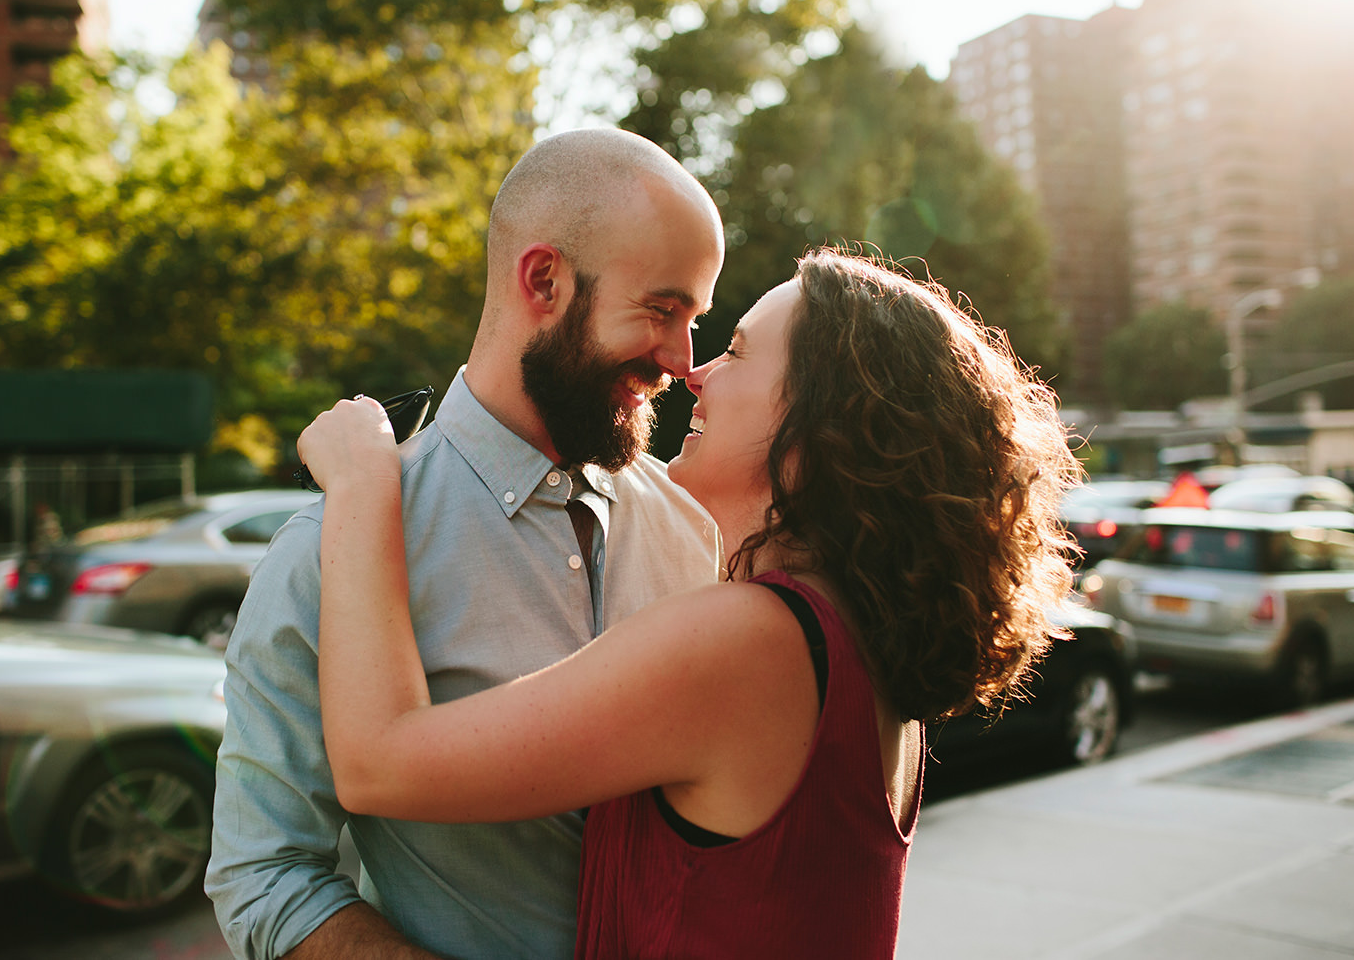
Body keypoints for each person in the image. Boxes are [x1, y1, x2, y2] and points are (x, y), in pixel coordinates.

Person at [299, 249, 1081, 958]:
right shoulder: (861, 652)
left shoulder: (750, 643)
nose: (695, 373)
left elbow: (376, 764)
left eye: (736, 351)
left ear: (821, 435)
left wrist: (364, 481)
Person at [206, 127, 727, 960]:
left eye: (695, 320)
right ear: (545, 279)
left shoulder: (691, 526)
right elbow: (265, 872)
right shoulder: (326, 549)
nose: (680, 359)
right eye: (662, 310)